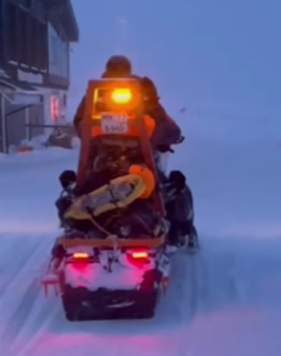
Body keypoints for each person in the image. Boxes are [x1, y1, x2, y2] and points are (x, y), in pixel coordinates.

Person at [65, 55, 197, 248]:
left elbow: (80, 127)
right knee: (174, 190)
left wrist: (152, 103)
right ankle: (182, 234)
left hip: (103, 163)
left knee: (78, 191)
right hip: (135, 164)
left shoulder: (96, 96)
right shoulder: (106, 95)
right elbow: (170, 131)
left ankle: (81, 223)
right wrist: (153, 105)